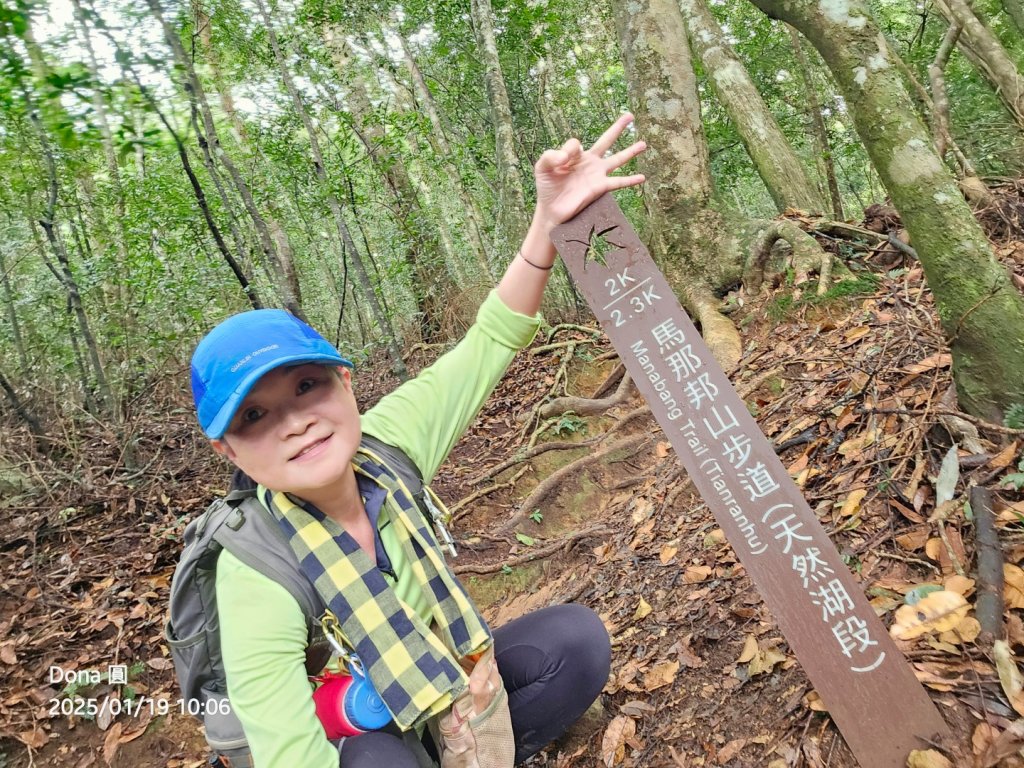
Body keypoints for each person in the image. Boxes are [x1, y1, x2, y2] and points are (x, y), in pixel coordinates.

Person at [188, 114, 646, 767]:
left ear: (346, 384)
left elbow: (489, 340)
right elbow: (291, 755)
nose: (293, 422)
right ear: (228, 452)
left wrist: (547, 226)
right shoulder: (255, 568)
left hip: (442, 685)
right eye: (254, 417)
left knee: (574, 644)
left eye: (307, 386)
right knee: (381, 762)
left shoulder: (386, 446)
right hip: (354, 734)